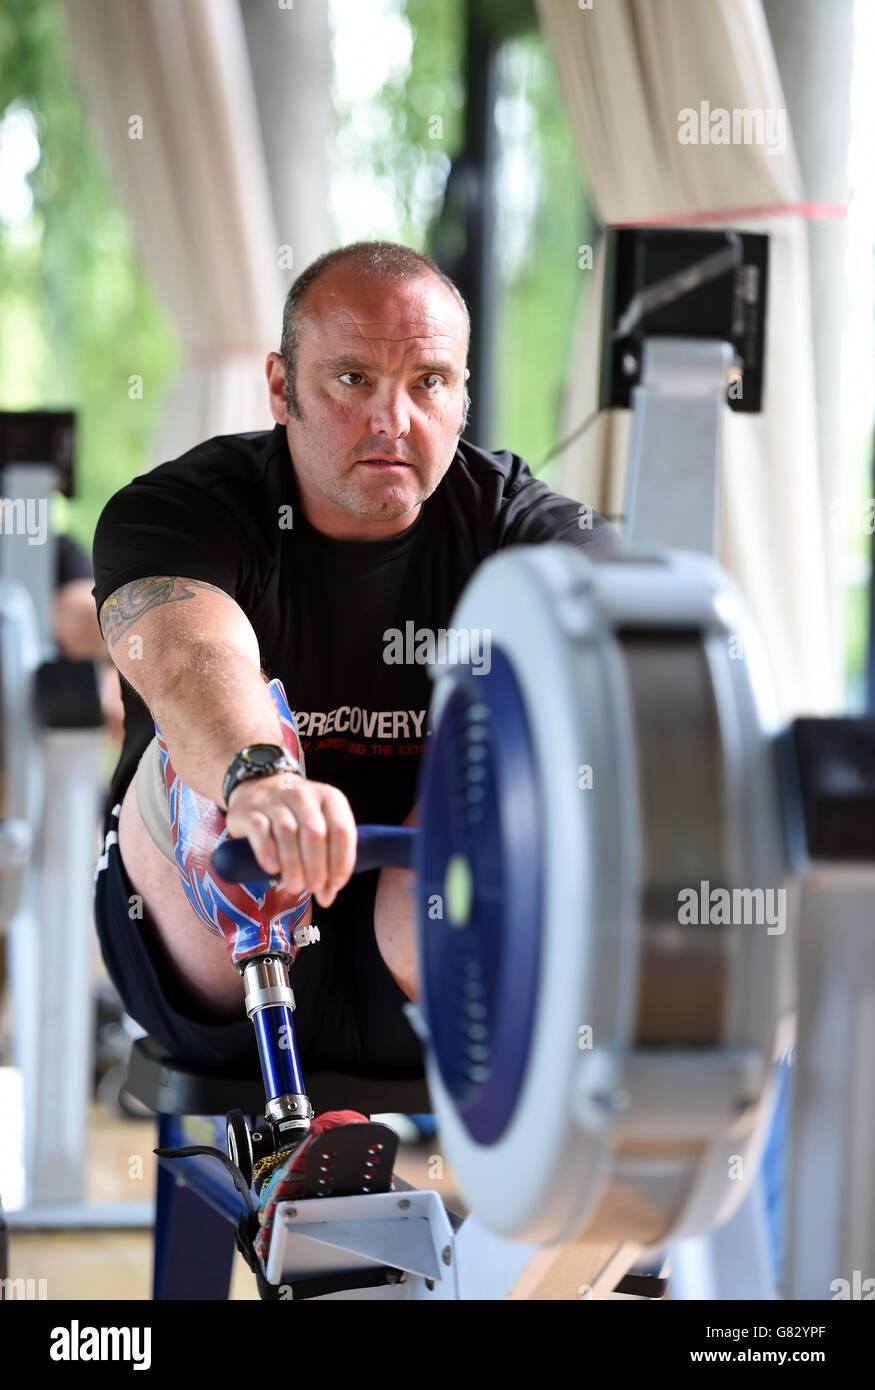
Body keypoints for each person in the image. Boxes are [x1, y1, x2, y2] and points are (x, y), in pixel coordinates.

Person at [90, 240, 617, 1075]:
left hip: (420, 945)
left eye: (427, 384)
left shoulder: (513, 520)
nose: (391, 420)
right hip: (210, 950)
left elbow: (631, 624)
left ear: (463, 395)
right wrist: (260, 778)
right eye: (352, 380)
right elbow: (191, 657)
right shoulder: (180, 509)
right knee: (193, 759)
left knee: (517, 744)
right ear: (279, 386)